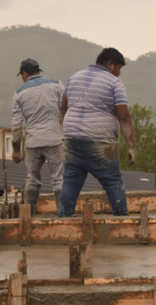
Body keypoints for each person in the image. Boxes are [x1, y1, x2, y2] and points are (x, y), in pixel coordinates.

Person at [58, 48, 137, 217]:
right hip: (100, 142)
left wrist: (66, 133)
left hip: (71, 140)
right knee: (113, 181)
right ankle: (122, 224)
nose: (119, 73)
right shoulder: (114, 83)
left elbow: (63, 108)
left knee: (70, 184)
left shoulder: (74, 78)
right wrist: (132, 148)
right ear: (110, 64)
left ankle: (62, 223)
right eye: (118, 68)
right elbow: (123, 117)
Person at [11, 58, 65, 216]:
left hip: (33, 142)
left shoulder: (19, 93)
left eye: (21, 74)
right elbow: (66, 109)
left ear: (25, 74)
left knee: (32, 179)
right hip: (54, 139)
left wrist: (16, 149)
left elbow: (16, 125)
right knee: (58, 179)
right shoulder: (57, 84)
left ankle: (29, 215)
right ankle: (63, 215)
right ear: (38, 71)